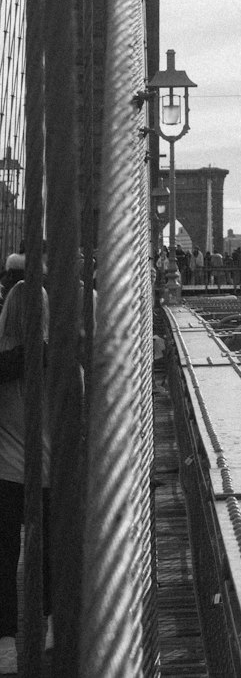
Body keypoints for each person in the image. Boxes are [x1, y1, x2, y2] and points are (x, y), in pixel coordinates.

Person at [0, 274, 51, 672]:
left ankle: (4, 647)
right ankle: (52, 630)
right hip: (50, 475)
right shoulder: (63, 358)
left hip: (4, 474)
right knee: (50, 555)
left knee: (3, 561)